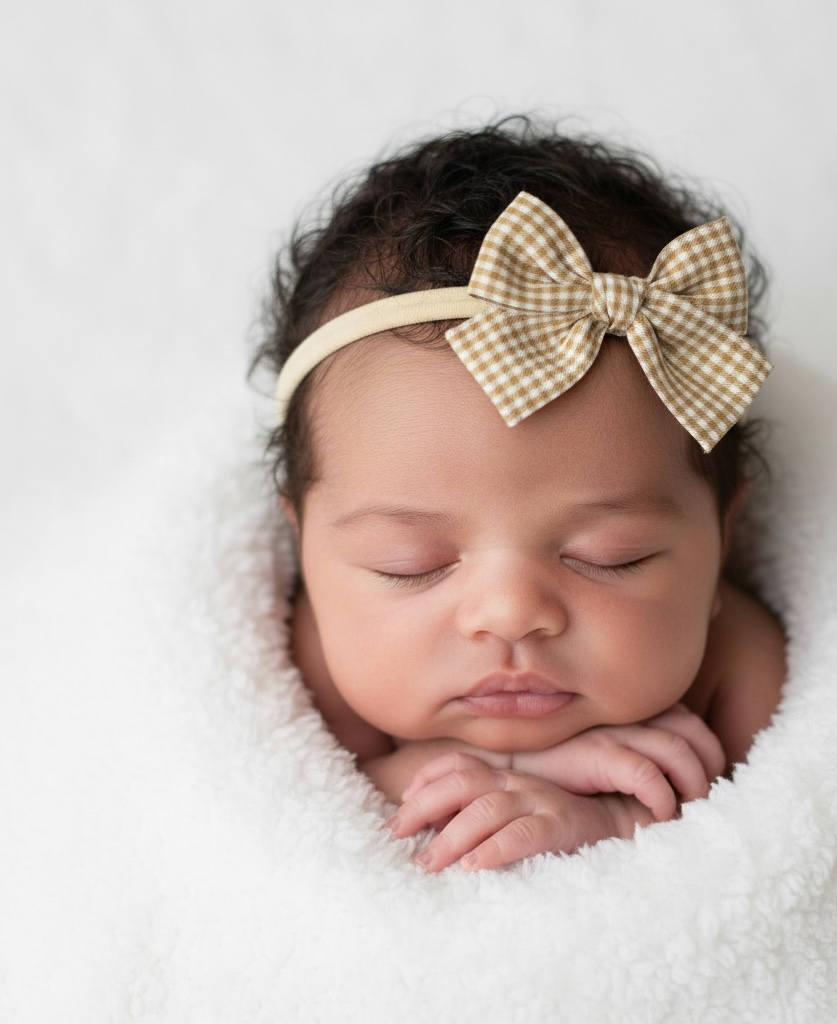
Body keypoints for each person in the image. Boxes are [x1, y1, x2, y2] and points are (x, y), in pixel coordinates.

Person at [252, 117, 787, 874]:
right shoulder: (299, 671)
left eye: (612, 556)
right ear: (304, 543)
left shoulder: (738, 679)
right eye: (410, 563)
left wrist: (613, 822)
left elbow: (784, 852)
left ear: (721, 540)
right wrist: (504, 780)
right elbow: (270, 833)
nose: (509, 613)